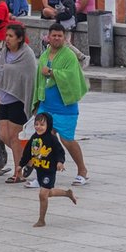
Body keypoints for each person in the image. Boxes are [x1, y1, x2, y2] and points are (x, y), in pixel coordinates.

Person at [34, 23, 90, 185]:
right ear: (48, 37)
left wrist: (52, 73)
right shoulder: (44, 55)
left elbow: (71, 77)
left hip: (65, 107)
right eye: (54, 35)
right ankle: (43, 174)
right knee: (44, 140)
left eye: (60, 36)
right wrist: (37, 103)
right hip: (46, 106)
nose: (57, 38)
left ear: (64, 38)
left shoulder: (69, 56)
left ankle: (82, 170)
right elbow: (39, 79)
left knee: (67, 140)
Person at [0, 23, 37, 183]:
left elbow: (29, 77)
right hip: (4, 98)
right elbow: (0, 74)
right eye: (6, 36)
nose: (7, 39)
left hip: (18, 99)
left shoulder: (27, 55)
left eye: (10, 36)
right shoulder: (4, 52)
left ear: (19, 38)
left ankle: (17, 172)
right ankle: (29, 159)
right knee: (4, 136)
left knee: (14, 137)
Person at [24, 113, 78, 225]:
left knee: (42, 194)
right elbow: (28, 152)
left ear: (48, 126)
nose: (38, 126)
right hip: (40, 170)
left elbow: (60, 152)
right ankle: (67, 193)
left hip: (49, 170)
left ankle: (41, 220)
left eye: (42, 124)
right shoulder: (35, 138)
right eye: (36, 124)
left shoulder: (52, 139)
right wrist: (24, 164)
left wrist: (60, 162)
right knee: (49, 193)